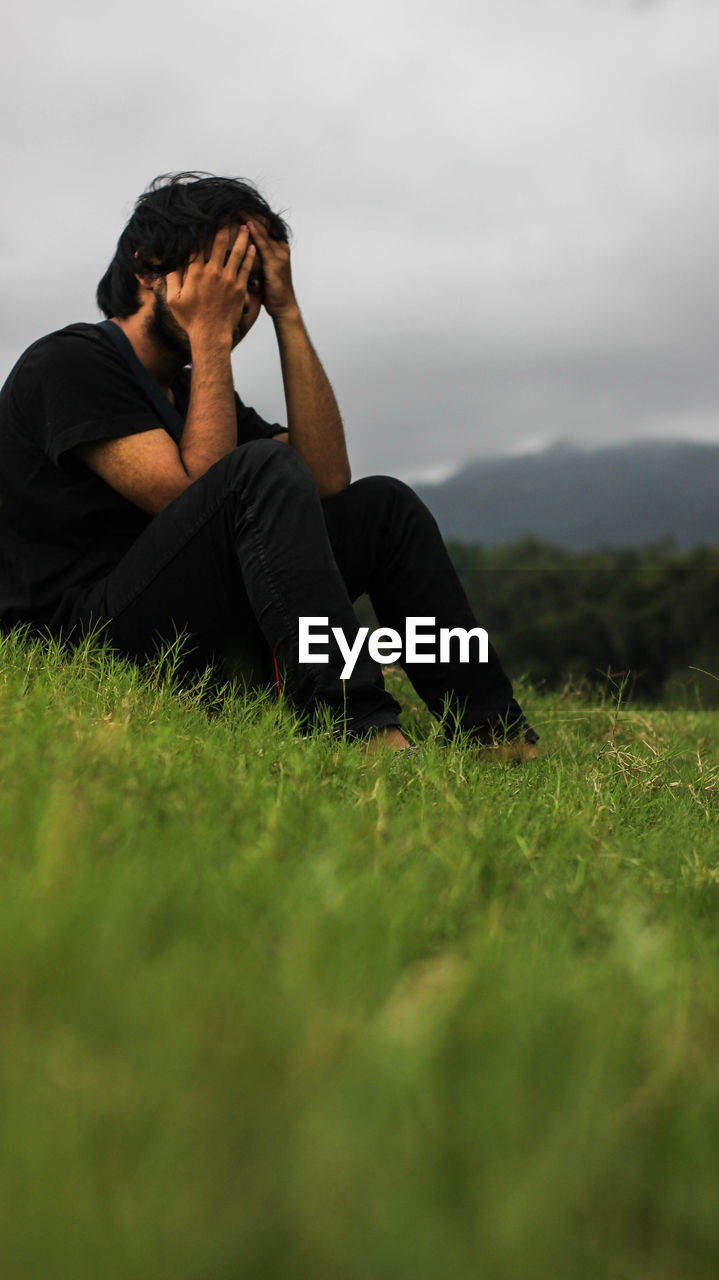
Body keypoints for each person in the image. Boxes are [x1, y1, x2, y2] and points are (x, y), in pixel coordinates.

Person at [0, 171, 538, 756]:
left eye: (252, 283)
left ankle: (494, 733)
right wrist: (208, 330)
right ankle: (357, 728)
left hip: (189, 631)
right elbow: (197, 496)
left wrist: (288, 314)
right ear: (150, 266)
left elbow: (329, 477)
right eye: (223, 274)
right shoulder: (68, 363)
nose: (240, 301)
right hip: (85, 637)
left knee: (383, 508)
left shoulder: (199, 395)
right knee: (256, 470)